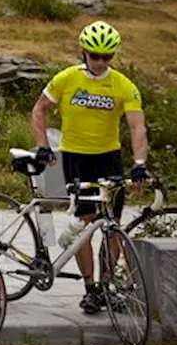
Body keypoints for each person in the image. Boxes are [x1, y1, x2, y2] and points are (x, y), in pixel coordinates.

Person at [30, 20, 149, 314]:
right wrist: (43, 145)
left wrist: (139, 165)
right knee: (86, 224)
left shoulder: (124, 85)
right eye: (94, 56)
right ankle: (89, 287)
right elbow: (39, 109)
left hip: (109, 158)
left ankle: (107, 284)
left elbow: (137, 128)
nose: (99, 62)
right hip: (77, 159)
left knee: (112, 226)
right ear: (84, 52)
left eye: (106, 57)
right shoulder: (67, 79)